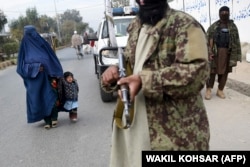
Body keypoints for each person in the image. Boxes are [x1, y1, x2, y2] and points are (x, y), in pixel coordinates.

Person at [101, 0, 210, 166]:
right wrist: (115, 72)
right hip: (136, 127)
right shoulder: (137, 25)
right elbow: (132, 63)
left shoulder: (185, 25)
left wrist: (144, 81)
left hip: (172, 135)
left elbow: (197, 73)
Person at [16, 25, 63, 129]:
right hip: (34, 82)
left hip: (48, 76)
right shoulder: (24, 46)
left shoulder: (42, 43)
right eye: (29, 34)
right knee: (39, 100)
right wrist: (35, 68)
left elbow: (52, 58)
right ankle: (47, 121)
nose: (32, 36)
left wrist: (53, 71)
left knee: (51, 96)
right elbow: (20, 68)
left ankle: (54, 118)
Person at [205, 6, 242, 100]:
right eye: (223, 12)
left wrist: (237, 56)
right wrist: (209, 52)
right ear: (219, 13)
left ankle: (220, 90)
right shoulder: (213, 26)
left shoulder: (233, 27)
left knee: (225, 72)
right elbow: (206, 40)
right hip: (215, 53)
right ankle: (208, 89)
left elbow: (237, 41)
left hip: (227, 53)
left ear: (229, 13)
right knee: (211, 72)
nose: (224, 13)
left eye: (226, 12)